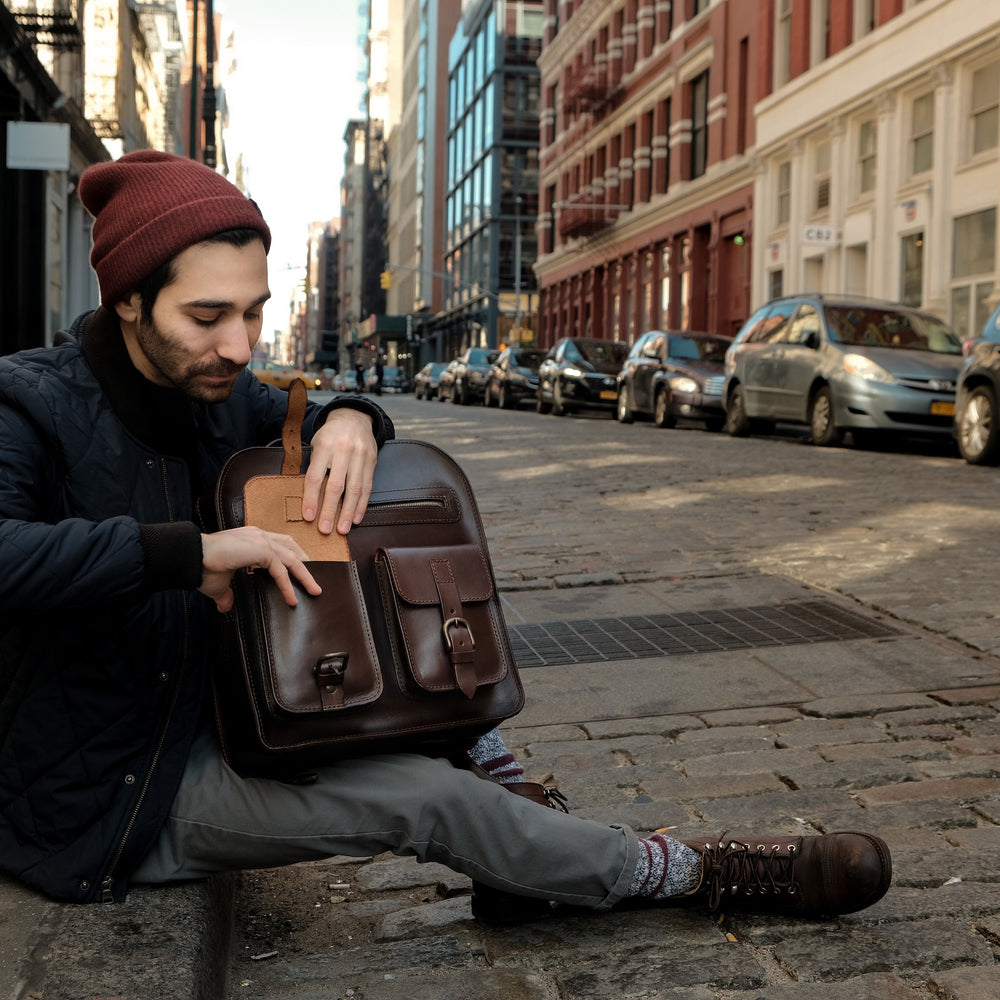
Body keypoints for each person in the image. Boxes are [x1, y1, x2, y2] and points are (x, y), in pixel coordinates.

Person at [0, 151, 891, 924]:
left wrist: (351, 417)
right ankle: (690, 873)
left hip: (230, 715)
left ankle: (523, 843)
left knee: (424, 666)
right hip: (116, 795)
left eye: (254, 312)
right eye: (207, 317)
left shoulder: (220, 389)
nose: (238, 345)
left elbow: (304, 408)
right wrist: (188, 555)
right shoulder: (28, 403)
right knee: (429, 799)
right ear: (126, 299)